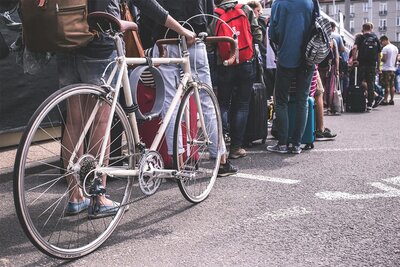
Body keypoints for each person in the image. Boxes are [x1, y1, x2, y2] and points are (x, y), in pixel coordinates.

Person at [60, 0, 199, 217]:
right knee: (101, 121)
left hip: (68, 37)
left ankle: (75, 196)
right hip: (101, 37)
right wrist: (181, 29)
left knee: (74, 121)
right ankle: (99, 197)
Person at [147, 0, 238, 176]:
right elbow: (209, 10)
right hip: (195, 37)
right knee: (206, 101)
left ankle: (177, 161)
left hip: (164, 39)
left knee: (169, 103)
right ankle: (220, 158)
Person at [209, 0, 262, 159]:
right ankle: (236, 148)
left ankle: (221, 144)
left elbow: (210, 45)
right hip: (246, 62)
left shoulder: (215, 14)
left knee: (223, 104)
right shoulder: (245, 9)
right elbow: (258, 36)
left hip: (224, 63)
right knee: (242, 105)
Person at [267, 0, 314, 154]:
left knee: (281, 101)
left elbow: (272, 33)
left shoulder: (279, 3)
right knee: (302, 101)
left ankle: (282, 143)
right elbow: (316, 23)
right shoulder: (311, 2)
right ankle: (296, 144)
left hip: (286, 56)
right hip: (308, 57)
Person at [352, 22, 381, 112]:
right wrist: (378, 66)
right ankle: (370, 104)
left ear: (363, 28)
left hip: (362, 64)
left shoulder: (360, 37)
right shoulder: (375, 38)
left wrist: (354, 59)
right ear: (371, 29)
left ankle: (360, 101)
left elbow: (354, 48)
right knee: (370, 84)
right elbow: (379, 54)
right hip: (372, 65)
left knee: (360, 82)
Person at [379, 35, 398, 105]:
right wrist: (394, 66)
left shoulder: (385, 48)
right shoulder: (395, 48)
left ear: (385, 40)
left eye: (382, 42)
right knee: (392, 85)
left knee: (386, 85)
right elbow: (396, 60)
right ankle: (392, 99)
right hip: (393, 69)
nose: (381, 44)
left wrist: (380, 58)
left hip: (386, 69)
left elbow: (384, 59)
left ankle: (385, 100)